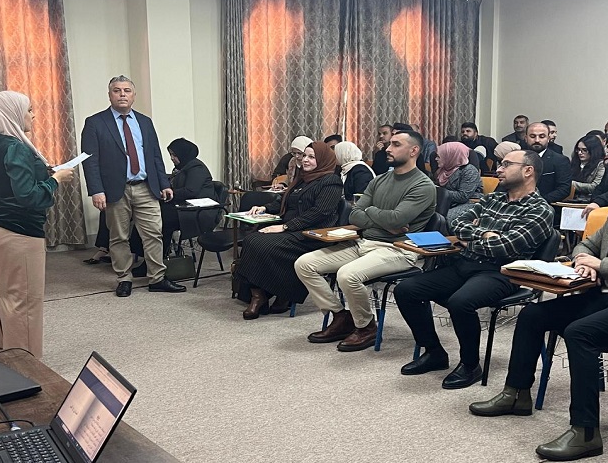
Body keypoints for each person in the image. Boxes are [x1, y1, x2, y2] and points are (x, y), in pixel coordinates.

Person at [469, 152, 608, 462]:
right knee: (532, 315)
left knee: (580, 332)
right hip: (605, 295)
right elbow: (586, 243)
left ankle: (585, 433)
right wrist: (584, 260)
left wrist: (603, 265)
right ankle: (516, 394)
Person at [394, 150, 553, 389]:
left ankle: (470, 365)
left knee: (460, 302)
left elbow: (506, 246)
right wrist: (483, 234)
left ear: (528, 170)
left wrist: (473, 239)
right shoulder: (493, 199)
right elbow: (455, 221)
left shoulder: (540, 210)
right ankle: (435, 352)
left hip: (502, 273)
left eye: (506, 164)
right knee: (406, 289)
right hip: (465, 264)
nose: (499, 169)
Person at [295, 129, 436, 352]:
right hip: (365, 243)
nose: (388, 149)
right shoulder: (380, 180)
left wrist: (370, 213)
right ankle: (341, 316)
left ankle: (366, 326)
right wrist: (381, 217)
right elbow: (354, 215)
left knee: (347, 275)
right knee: (304, 264)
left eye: (396, 144)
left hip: (397, 249)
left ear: (414, 151)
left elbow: (398, 218)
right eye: (389, 144)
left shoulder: (423, 185)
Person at [0, 91, 73, 359]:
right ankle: (25, 364)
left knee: (7, 296)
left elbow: (10, 182)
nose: (33, 114)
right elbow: (29, 197)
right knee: (25, 300)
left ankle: (4, 349)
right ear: (11, 113)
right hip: (19, 231)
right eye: (29, 109)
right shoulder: (16, 146)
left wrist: (47, 172)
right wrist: (55, 181)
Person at [80, 75, 185, 297]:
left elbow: (155, 155)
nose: (122, 95)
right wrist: (96, 190)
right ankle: (124, 278)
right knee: (118, 236)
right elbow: (90, 160)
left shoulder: (145, 122)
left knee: (154, 233)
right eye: (117, 91)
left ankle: (157, 277)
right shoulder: (95, 123)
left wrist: (164, 183)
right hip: (115, 190)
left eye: (127, 90)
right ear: (110, 95)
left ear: (134, 95)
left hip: (146, 187)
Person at [234, 142, 343, 319]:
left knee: (259, 243)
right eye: (304, 156)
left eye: (311, 157)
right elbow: (285, 201)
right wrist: (265, 208)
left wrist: (285, 227)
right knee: (252, 240)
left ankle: (266, 295)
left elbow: (319, 213)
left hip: (311, 234)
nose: (305, 160)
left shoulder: (331, 181)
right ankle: (260, 294)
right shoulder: (303, 177)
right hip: (293, 229)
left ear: (322, 160)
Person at [160, 138, 216, 255]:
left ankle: (159, 257)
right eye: (170, 154)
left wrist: (170, 193)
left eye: (174, 155)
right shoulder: (183, 168)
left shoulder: (196, 168)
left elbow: (191, 191)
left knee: (162, 220)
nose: (171, 158)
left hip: (199, 213)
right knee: (154, 214)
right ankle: (152, 255)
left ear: (183, 154)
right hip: (186, 208)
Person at [522, 122, 571, 204]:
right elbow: (505, 184)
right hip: (515, 206)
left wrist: (538, 201)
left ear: (548, 138)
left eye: (542, 136)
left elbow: (564, 189)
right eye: (532, 136)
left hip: (545, 205)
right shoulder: (516, 158)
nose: (537, 140)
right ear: (526, 138)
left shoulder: (560, 160)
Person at [433, 142, 482, 223]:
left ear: (450, 156)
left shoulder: (469, 170)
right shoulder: (443, 170)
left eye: (439, 156)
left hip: (469, 203)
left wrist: (439, 191)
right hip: (446, 202)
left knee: (442, 218)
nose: (436, 159)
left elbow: (463, 196)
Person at [570, 135, 605, 201]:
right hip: (571, 198)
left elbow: (595, 186)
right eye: (578, 149)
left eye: (584, 150)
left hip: (589, 200)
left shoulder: (601, 165)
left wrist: (571, 184)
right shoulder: (574, 162)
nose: (580, 153)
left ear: (593, 151)